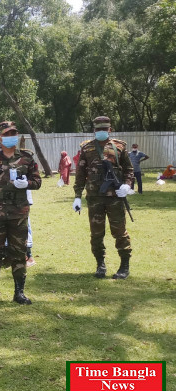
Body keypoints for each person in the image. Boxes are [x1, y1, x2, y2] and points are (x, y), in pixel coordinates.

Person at [0, 121, 42, 304]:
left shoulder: (27, 157)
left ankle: (19, 293)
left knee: (19, 252)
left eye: (13, 133)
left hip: (19, 213)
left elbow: (37, 181)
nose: (11, 136)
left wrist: (27, 183)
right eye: (6, 134)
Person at [73, 116, 134, 279]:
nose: (101, 132)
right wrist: (77, 196)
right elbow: (80, 174)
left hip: (115, 198)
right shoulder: (87, 148)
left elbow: (129, 169)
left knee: (119, 232)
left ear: (110, 129)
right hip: (94, 198)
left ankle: (124, 266)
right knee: (96, 233)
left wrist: (127, 185)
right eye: (98, 129)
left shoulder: (119, 147)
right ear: (94, 130)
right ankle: (100, 264)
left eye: (104, 129)